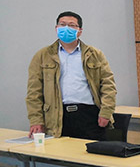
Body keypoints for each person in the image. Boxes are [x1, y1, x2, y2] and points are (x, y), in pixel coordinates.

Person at [27, 11, 116, 140]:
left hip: (89, 115)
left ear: (80, 31)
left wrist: (106, 112)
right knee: (59, 152)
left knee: (92, 151)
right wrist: (36, 120)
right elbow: (34, 92)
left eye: (72, 25)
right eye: (62, 25)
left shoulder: (94, 54)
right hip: (56, 116)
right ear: (56, 28)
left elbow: (108, 85)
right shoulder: (42, 56)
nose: (66, 28)